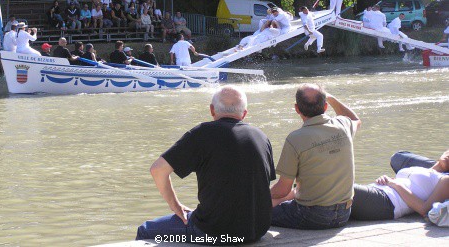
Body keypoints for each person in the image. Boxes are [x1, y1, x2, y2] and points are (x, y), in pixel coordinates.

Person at [136, 86, 276, 243]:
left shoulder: (202, 133)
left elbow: (158, 170)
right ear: (244, 114)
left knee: (145, 231)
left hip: (215, 231)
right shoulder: (261, 137)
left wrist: (175, 206)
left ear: (212, 110)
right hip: (256, 230)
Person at [271, 84, 361, 229]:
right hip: (344, 214)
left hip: (311, 216)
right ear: (325, 107)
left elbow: (282, 190)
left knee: (261, 212)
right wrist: (332, 99)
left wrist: (260, 197)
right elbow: (355, 119)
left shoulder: (295, 139)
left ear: (297, 109)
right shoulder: (343, 125)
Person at [351, 150, 449, 221]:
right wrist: (386, 179)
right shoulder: (423, 169)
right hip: (376, 190)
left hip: (389, 202)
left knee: (342, 188)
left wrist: (395, 184)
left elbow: (424, 210)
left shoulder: (445, 180)